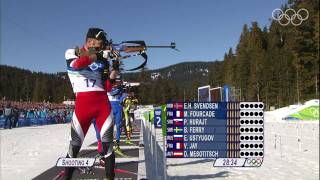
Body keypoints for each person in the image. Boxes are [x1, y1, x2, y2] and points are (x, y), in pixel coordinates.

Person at [63, 27, 120, 180]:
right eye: (99, 44)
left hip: (103, 106)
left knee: (108, 146)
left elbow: (107, 87)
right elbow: (76, 65)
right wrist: (98, 55)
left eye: (102, 45)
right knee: (74, 146)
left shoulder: (102, 60)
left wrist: (114, 68)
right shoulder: (72, 52)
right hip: (83, 107)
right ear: (89, 41)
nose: (101, 47)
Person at [107, 75, 128, 155]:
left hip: (118, 108)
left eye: (118, 82)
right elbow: (112, 92)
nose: (117, 83)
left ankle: (117, 146)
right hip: (109, 107)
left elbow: (125, 94)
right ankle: (107, 147)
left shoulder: (121, 88)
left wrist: (122, 98)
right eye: (116, 81)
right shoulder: (108, 87)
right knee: (109, 127)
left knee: (119, 126)